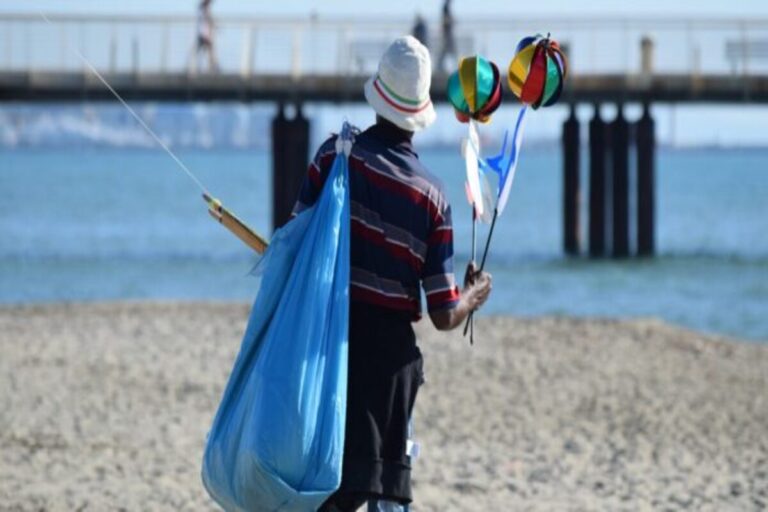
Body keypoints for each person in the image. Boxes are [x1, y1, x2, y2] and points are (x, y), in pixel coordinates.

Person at [292, 36, 492, 512]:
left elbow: (296, 242)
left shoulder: (333, 156)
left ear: (378, 97)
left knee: (328, 487)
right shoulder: (432, 196)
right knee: (384, 494)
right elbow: (444, 314)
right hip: (389, 369)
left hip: (329, 351)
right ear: (419, 114)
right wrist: (473, 294)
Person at [193, 0, 218, 73]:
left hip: (204, 34)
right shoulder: (204, 11)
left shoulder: (203, 11)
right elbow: (208, 22)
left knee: (202, 51)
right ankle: (214, 67)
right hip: (204, 34)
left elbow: (209, 22)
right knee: (208, 51)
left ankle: (212, 66)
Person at [437, 0, 456, 72]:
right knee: (447, 50)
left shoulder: (446, 8)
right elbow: (446, 21)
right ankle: (440, 66)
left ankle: (440, 66)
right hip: (447, 34)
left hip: (447, 34)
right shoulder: (446, 8)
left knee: (446, 51)